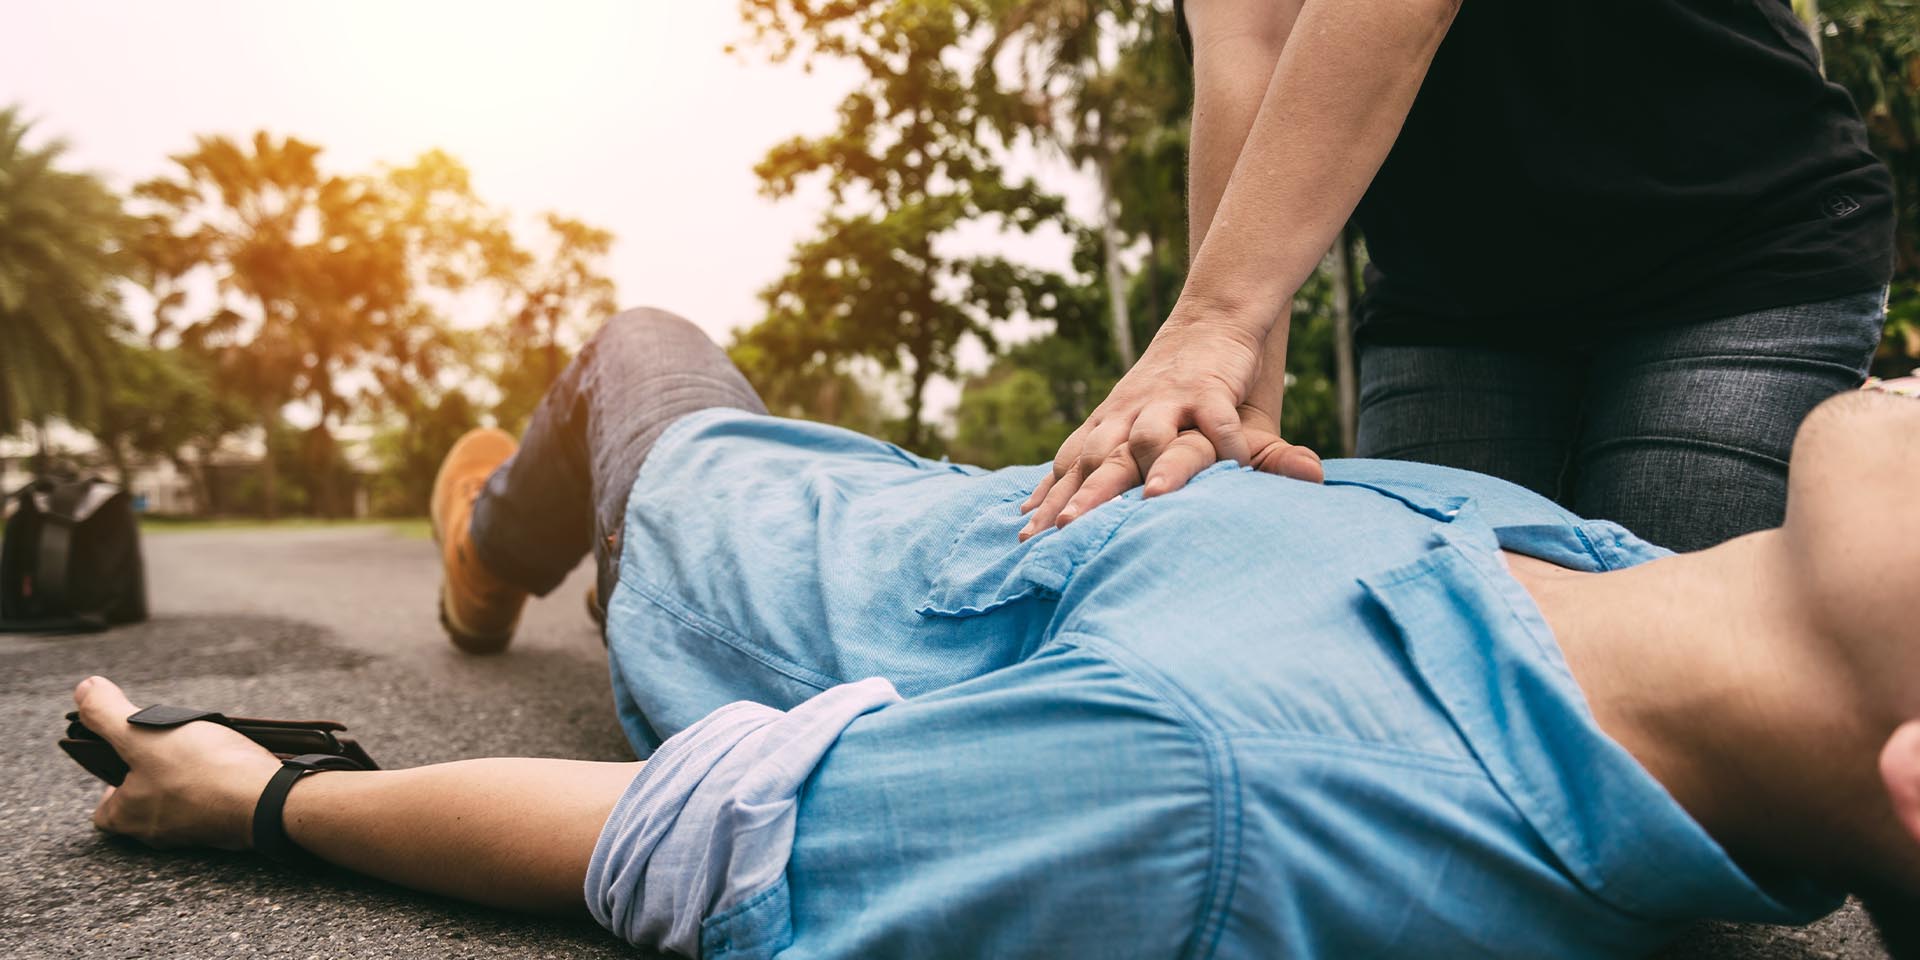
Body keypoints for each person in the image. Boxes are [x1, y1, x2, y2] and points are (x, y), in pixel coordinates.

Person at [75, 310, 1920, 958]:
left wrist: (257, 805)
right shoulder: (1603, 574)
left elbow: (697, 836)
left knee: (636, 346)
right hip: (941, 492)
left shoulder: (1222, 795)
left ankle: (489, 555)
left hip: (733, 536)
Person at [1021, 0, 1895, 554]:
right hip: (1457, 303)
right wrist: (1239, 398)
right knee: (1458, 660)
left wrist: (1215, 321)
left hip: (1735, 260)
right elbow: (1250, 38)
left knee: (1665, 653)